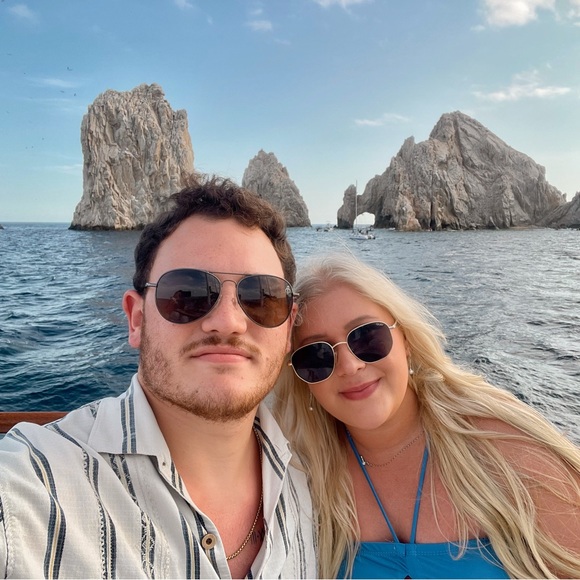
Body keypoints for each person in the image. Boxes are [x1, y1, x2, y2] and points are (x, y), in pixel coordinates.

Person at [0, 175, 316, 579]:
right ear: (136, 319)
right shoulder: (32, 484)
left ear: (288, 329)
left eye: (261, 297)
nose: (228, 322)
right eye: (188, 294)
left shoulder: (315, 487)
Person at [274, 252, 580, 579]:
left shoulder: (504, 447)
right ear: (301, 378)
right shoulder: (303, 476)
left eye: (366, 337)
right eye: (316, 355)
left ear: (405, 340)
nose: (350, 366)